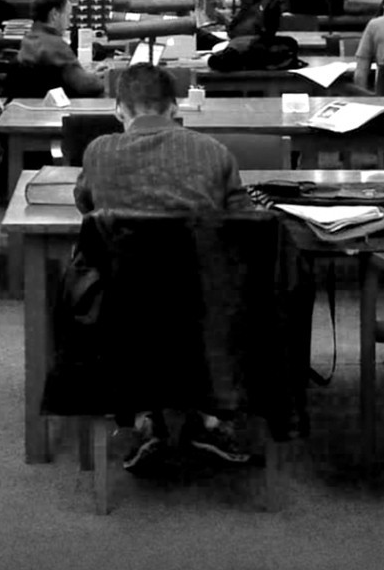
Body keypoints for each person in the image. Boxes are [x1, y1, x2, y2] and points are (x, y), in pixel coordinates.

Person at [72, 64, 253, 472]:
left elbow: (86, 204)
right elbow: (242, 220)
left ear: (119, 110)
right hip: (205, 306)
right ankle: (208, 417)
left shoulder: (99, 151)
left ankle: (142, 417)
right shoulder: (214, 151)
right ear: (175, 108)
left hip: (123, 307)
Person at [15, 0, 106, 98]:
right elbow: (87, 86)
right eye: (67, 16)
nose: (69, 23)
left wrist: (87, 75)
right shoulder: (55, 45)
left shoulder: (30, 38)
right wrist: (103, 79)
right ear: (55, 15)